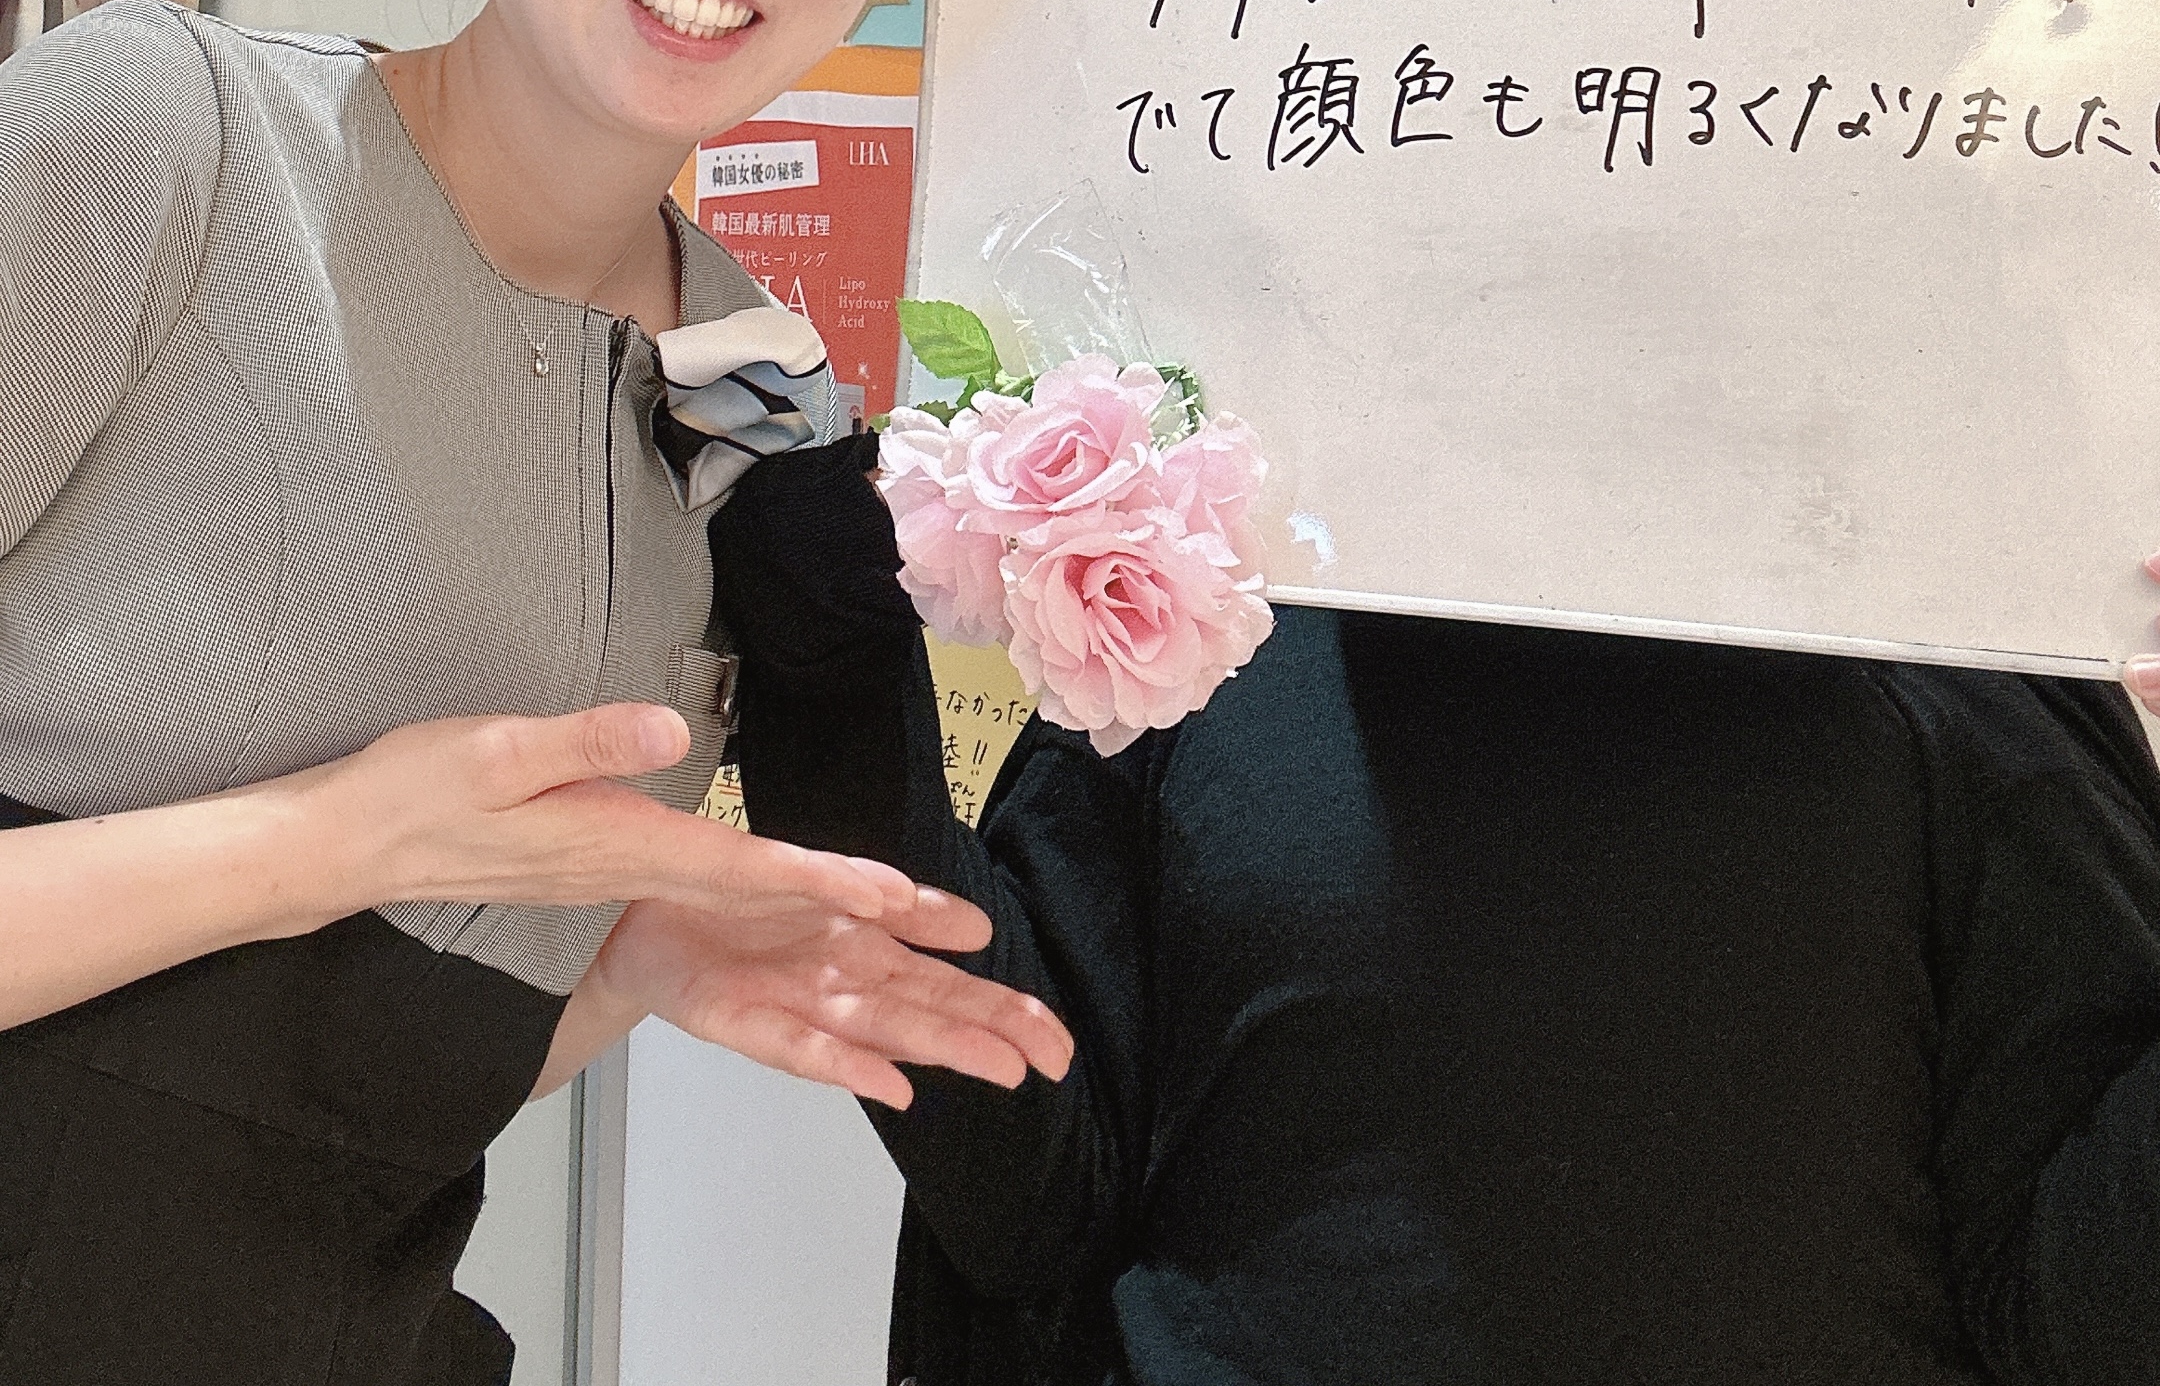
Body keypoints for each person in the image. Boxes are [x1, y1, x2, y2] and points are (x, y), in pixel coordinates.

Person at [0, 0, 1070, 1386]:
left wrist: (619, 974)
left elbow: (333, 1116)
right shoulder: (164, 145)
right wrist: (329, 838)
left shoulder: (764, 403)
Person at [716, 411, 2160, 1379]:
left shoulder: (1966, 663)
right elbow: (1029, 1195)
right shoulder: (1212, 619)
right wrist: (825, 678)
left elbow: (2089, 1323)